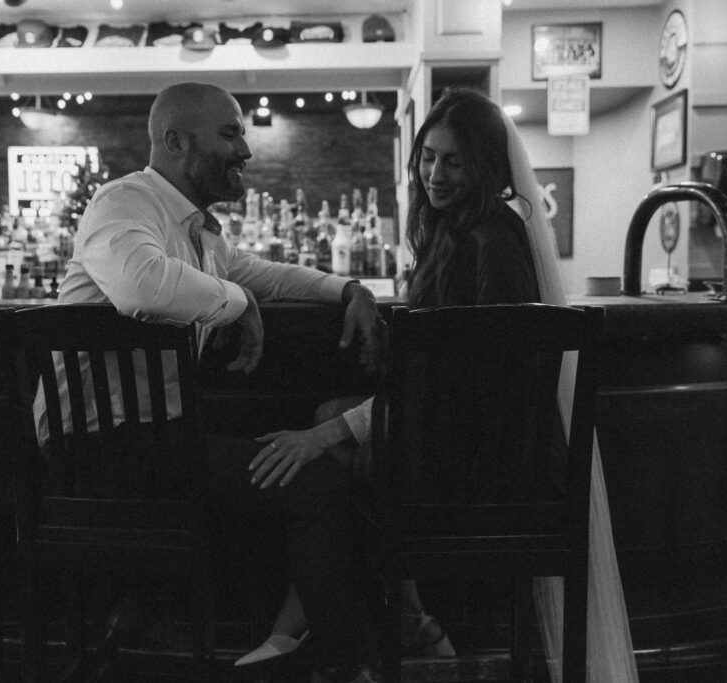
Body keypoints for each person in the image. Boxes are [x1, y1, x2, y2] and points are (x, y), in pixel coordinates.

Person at [240, 88, 641, 682]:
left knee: (327, 439)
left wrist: (326, 434)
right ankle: (403, 619)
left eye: (454, 161)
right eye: (428, 157)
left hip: (490, 466)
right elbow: (449, 369)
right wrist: (390, 346)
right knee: (330, 422)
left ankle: (330, 630)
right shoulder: (463, 231)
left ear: (486, 167)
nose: (435, 173)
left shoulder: (487, 242)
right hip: (478, 442)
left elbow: (461, 384)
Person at [36, 81, 385, 683]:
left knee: (300, 457)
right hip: (91, 450)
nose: (246, 149)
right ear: (175, 141)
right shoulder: (124, 202)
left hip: (150, 443)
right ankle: (336, 664)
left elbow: (269, 276)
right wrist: (234, 299)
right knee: (316, 482)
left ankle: (285, 647)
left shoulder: (200, 233)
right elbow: (142, 286)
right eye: (230, 133)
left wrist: (348, 289)